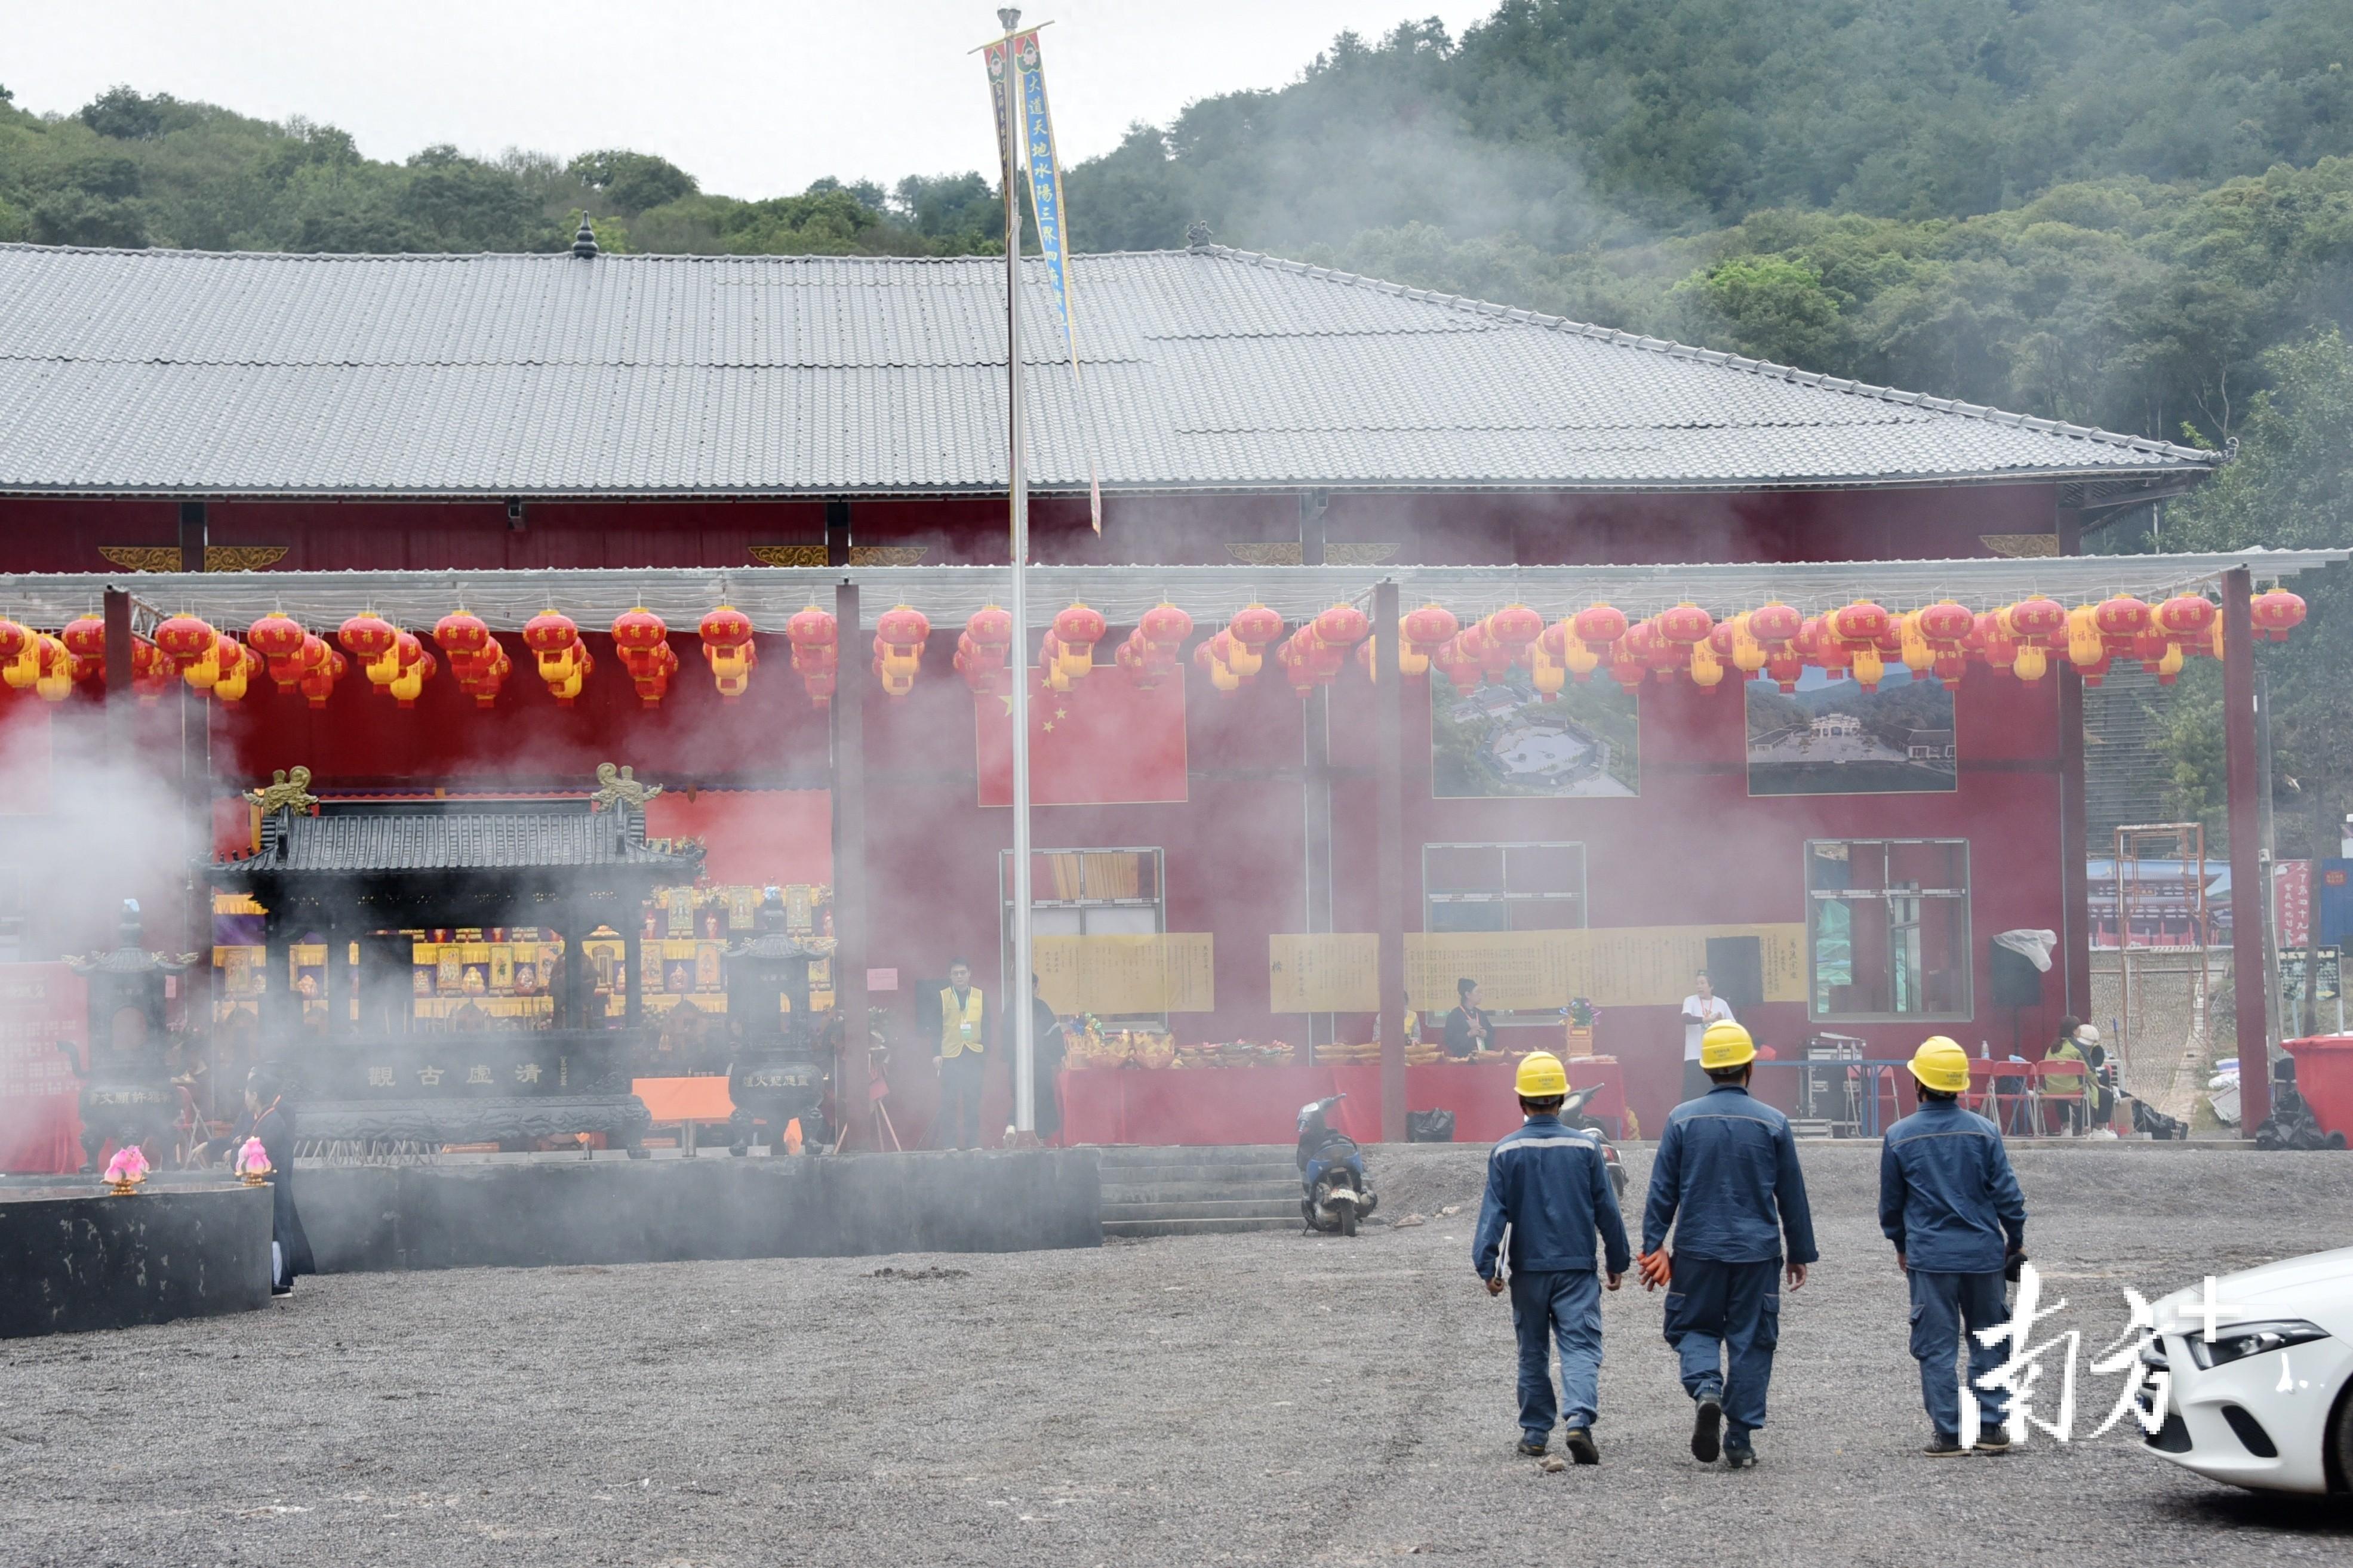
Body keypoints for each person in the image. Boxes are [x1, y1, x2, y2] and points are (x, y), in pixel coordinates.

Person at [1639, 1019, 1817, 1470]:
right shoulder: (1774, 1122)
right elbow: (1790, 1194)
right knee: (1752, 1341)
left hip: (1697, 1250)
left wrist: (1652, 1244)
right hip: (1757, 1254)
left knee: (1693, 1327)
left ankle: (1706, 1389)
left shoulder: (1681, 1119)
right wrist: (1798, 1251)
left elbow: (1663, 1189)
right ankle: (1738, 1439)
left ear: (1706, 1069)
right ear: (1748, 1067)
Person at [1472, 1052, 1631, 1464]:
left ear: (1521, 1101)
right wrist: (1618, 1258)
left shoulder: (1505, 1151)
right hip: (1576, 1267)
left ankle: (1535, 1432)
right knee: (1579, 1345)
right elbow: (1606, 1210)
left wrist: (1487, 1265)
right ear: (1561, 1099)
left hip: (1527, 1271)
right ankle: (1578, 1420)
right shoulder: (1586, 1147)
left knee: (1532, 1349)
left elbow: (1494, 1214)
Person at [1880, 1036, 2029, 1456]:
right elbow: (2008, 1197)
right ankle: (1989, 1427)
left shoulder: (1898, 1136)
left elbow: (1891, 1206)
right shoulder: (1984, 1131)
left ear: (1918, 1084)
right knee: (1989, 1339)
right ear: (1960, 1085)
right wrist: (2013, 1241)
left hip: (1930, 1257)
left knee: (1936, 1345)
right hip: (1983, 1255)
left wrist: (1901, 1243)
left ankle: (1948, 1433)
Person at [193, 1064, 315, 1296]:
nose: (245, 1098)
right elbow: (243, 1141)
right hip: (263, 1185)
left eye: (247, 1093)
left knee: (275, 1234)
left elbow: (257, 1152)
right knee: (269, 1233)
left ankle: (279, 1282)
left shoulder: (274, 1119)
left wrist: (235, 1153)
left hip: (273, 1184)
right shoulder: (263, 1117)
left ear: (256, 1095)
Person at [934, 958, 991, 1150]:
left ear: (970, 974)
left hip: (973, 1054)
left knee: (972, 1101)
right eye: (956, 973)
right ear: (950, 975)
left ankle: (973, 1143)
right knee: (949, 1102)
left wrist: (985, 1051)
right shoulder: (942, 996)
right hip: (950, 1055)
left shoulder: (980, 996)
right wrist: (936, 1053)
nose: (959, 976)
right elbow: (936, 1028)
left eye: (963, 973)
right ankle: (950, 1144)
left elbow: (988, 1025)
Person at [1678, 971, 1737, 1104]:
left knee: (1714, 1091)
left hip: (1715, 1056)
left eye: (1703, 983)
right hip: (1694, 1056)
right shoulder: (1690, 1000)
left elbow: (1733, 1026)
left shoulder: (1721, 1003)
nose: (1699, 986)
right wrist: (1707, 1019)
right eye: (1697, 983)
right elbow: (1686, 1018)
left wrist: (1722, 1021)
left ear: (1711, 986)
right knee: (1692, 1093)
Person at [1029, 974, 1067, 1145]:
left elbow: (1053, 1034)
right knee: (1021, 1101)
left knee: (1043, 1100)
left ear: (1036, 986)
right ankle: (1021, 1136)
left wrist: (1057, 1056)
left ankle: (1042, 1139)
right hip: (1020, 1066)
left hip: (1041, 1064)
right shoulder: (1011, 1008)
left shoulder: (1041, 1007)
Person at [1443, 977, 1491, 1060]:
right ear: (1468, 995)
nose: (1481, 995)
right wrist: (1469, 1034)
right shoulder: (1454, 1015)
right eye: (1477, 992)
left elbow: (1492, 1033)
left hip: (1482, 1060)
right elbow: (1449, 1040)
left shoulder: (1481, 1014)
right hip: (1463, 1060)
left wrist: (1486, 1034)